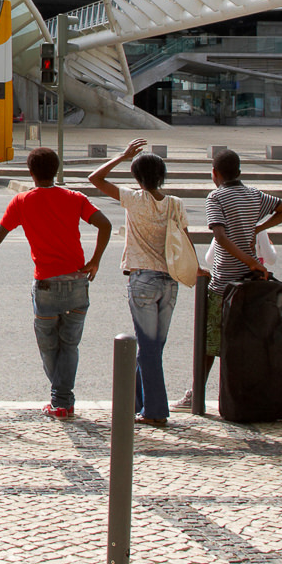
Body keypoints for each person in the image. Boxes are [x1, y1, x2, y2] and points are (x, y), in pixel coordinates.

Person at [0, 146, 111, 418]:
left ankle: (61, 400)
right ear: (56, 170)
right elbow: (105, 224)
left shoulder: (22, 201)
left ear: (31, 173)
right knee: (69, 346)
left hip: (46, 285)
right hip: (76, 282)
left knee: (49, 346)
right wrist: (95, 260)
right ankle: (63, 400)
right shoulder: (75, 197)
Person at [89, 139, 182, 427]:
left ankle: (155, 409)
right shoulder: (175, 204)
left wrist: (121, 155)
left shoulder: (134, 198)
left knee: (149, 347)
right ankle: (138, 402)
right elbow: (184, 241)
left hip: (142, 279)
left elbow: (95, 178)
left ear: (137, 178)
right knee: (153, 346)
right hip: (170, 281)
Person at [192, 149, 282, 399]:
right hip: (250, 284)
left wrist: (251, 261)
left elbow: (220, 236)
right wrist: (259, 227)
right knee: (245, 340)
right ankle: (242, 392)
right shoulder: (254, 195)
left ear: (214, 174)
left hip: (223, 284)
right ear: (239, 172)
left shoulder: (216, 197)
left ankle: (198, 393)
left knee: (210, 342)